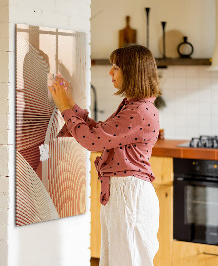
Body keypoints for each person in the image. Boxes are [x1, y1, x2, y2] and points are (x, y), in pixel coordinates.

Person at [48, 44, 161, 266]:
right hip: (123, 194)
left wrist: (64, 108)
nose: (110, 72)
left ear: (132, 71)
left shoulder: (138, 111)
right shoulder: (134, 106)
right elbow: (100, 133)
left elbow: (92, 141)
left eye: (116, 67)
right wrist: (70, 104)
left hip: (129, 196)